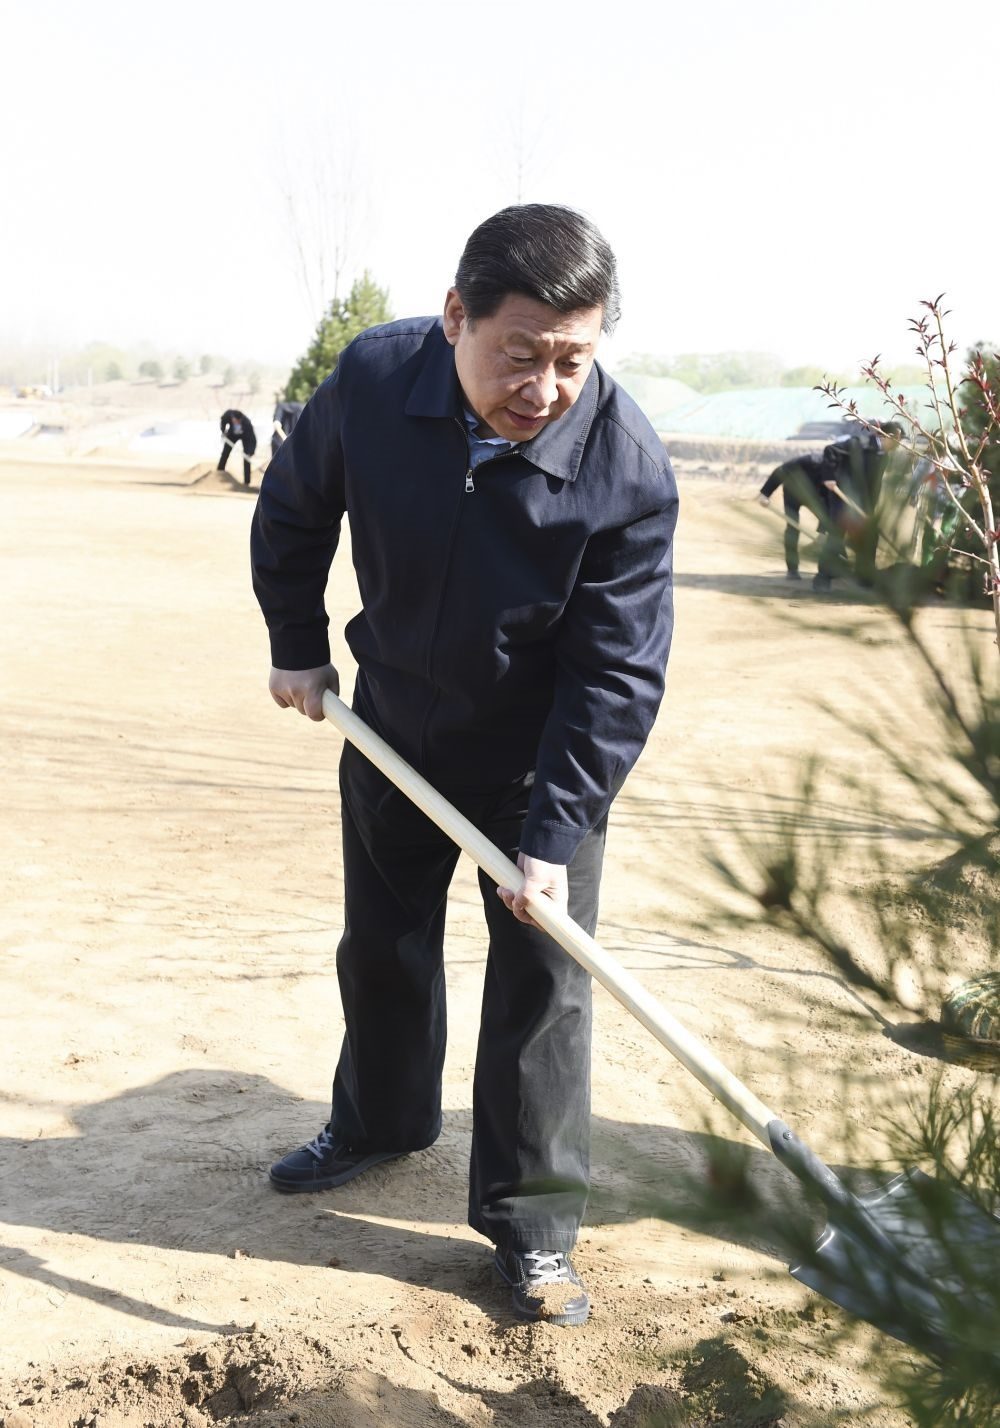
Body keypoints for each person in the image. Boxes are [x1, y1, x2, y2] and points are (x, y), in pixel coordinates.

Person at [250, 203, 678, 1329]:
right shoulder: (376, 380)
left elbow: (617, 675)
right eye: (520, 354)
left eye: (573, 361)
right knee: (383, 944)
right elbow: (295, 508)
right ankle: (379, 1123)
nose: (545, 387)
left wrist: (553, 835)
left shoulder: (626, 469)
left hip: (538, 765)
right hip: (391, 729)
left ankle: (532, 1227)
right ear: (455, 317)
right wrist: (296, 641)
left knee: (543, 990)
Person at [814, 421, 904, 590]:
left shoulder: (884, 455)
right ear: (887, 436)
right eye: (898, 440)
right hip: (843, 499)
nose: (899, 445)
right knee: (836, 536)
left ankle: (864, 579)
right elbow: (831, 450)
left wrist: (870, 510)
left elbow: (874, 485)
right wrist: (829, 477)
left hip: (863, 504)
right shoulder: (859, 443)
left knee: (870, 537)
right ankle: (822, 579)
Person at [758, 452, 836, 580]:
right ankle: (792, 570)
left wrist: (822, 532)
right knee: (792, 529)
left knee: (831, 524)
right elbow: (781, 470)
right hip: (792, 493)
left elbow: (829, 504)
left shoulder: (837, 473)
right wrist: (765, 493)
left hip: (815, 496)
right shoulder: (811, 460)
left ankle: (832, 568)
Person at [218, 408, 257, 486]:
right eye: (235, 421)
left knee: (247, 457)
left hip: (245, 437)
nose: (237, 423)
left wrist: (251, 451)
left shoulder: (247, 423)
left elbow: (253, 439)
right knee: (225, 452)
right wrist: (223, 431)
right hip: (232, 435)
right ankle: (219, 471)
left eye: (238, 422)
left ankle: (247, 482)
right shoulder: (228, 415)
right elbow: (223, 421)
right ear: (232, 418)